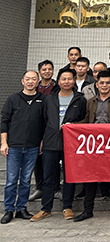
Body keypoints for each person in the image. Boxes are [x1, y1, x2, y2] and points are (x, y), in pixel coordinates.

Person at [30, 68, 87, 222]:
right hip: (50, 142)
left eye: (69, 79)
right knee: (48, 177)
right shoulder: (50, 99)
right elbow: (44, 120)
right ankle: (45, 208)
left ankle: (67, 207)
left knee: (69, 176)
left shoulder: (80, 99)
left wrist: (74, 125)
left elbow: (84, 120)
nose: (66, 82)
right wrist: (41, 139)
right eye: (63, 79)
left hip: (71, 143)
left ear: (74, 81)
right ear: (58, 81)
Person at [73, 71, 110, 222]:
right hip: (94, 146)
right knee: (91, 178)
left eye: (107, 83)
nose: (104, 85)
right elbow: (86, 120)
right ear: (96, 84)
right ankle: (87, 210)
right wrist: (72, 126)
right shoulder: (91, 101)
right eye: (101, 83)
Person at [1, 71, 45, 224]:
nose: (30, 81)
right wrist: (4, 143)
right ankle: (8, 209)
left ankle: (21, 208)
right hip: (14, 146)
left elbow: (45, 123)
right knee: (11, 180)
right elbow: (4, 121)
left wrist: (42, 141)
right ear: (22, 81)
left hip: (33, 146)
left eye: (33, 79)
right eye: (28, 79)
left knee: (26, 180)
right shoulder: (13, 99)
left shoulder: (43, 100)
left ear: (38, 82)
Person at [31, 61, 59, 201]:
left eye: (49, 69)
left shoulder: (57, 87)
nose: (47, 71)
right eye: (44, 69)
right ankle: (39, 187)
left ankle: (56, 188)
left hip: (52, 125)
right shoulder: (34, 87)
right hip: (36, 125)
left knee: (53, 159)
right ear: (39, 72)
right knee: (38, 159)